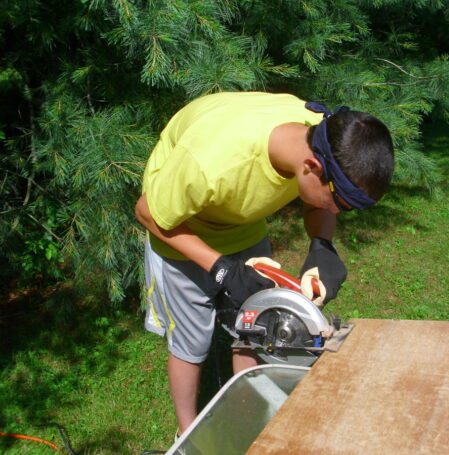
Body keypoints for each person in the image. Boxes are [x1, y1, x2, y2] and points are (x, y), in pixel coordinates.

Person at [134, 91, 394, 437]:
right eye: (341, 205)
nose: (336, 213)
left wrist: (322, 245)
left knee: (257, 326)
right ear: (312, 168)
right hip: (178, 226)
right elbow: (149, 213)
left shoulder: (322, 136)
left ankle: (249, 419)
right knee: (191, 343)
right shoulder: (213, 159)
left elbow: (319, 203)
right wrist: (222, 269)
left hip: (240, 218)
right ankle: (188, 434)